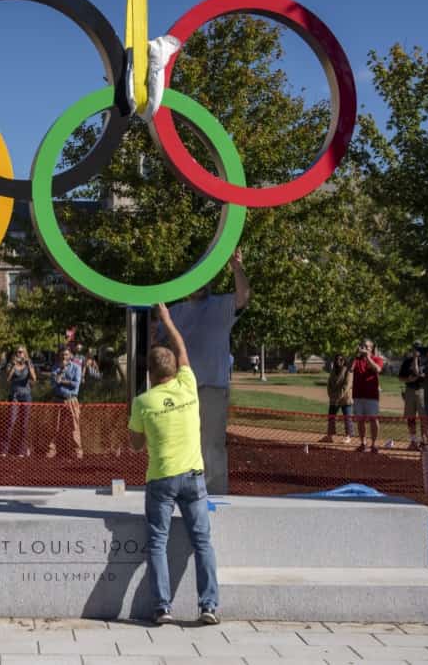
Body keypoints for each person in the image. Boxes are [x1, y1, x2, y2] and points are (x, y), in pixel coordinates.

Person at [129, 303, 220, 627]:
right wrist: (166, 320)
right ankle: (208, 605)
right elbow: (181, 349)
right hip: (194, 478)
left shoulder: (142, 402)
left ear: (151, 375)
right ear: (176, 370)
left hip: (162, 480)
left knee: (157, 542)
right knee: (202, 542)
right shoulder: (188, 385)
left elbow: (136, 444)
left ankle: (162, 608)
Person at [160, 248, 249, 494]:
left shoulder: (221, 305)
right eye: (194, 279)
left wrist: (236, 267)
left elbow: (243, 297)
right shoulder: (175, 312)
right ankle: (184, 492)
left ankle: (215, 494)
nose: (199, 285)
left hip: (211, 388)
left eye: (204, 279)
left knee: (211, 446)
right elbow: (155, 343)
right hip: (180, 392)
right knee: (180, 444)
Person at [47, 347, 83, 459]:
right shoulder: (55, 368)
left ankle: (77, 452)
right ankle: (52, 450)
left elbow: (76, 384)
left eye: (66, 354)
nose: (64, 357)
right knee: (56, 426)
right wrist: (61, 372)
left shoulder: (76, 368)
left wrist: (61, 381)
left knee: (74, 427)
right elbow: (53, 385)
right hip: (58, 400)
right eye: (62, 354)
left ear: (70, 355)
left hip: (72, 400)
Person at [350, 338, 385, 452]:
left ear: (371, 348)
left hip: (371, 395)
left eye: (366, 346)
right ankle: (363, 443)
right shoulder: (357, 360)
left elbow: (377, 369)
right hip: (358, 395)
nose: (364, 348)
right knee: (360, 420)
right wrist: (355, 354)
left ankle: (374, 444)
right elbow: (349, 368)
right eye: (362, 345)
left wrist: (368, 357)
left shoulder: (377, 359)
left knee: (373, 419)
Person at [2, 345, 36, 457]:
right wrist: (14, 366)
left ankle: (22, 450)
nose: (19, 354)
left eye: (21, 352)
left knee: (24, 424)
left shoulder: (28, 363)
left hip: (26, 395)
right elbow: (7, 379)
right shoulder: (11, 363)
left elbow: (34, 379)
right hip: (14, 395)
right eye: (17, 352)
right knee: (11, 422)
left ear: (25, 353)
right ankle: (4, 449)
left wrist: (28, 365)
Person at [399, 343, 426, 450]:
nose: (416, 351)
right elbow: (401, 377)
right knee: (410, 417)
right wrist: (409, 380)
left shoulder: (425, 361)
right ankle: (413, 441)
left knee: (424, 418)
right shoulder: (407, 361)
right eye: (414, 348)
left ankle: (424, 441)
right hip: (410, 390)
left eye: (418, 349)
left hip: (422, 391)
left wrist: (420, 376)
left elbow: (424, 375)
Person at [321, 353, 354, 442]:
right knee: (331, 417)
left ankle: (348, 436)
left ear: (344, 360)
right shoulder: (333, 370)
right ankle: (330, 436)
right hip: (333, 398)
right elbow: (329, 384)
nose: (339, 361)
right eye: (337, 359)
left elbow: (346, 386)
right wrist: (331, 395)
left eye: (341, 359)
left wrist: (338, 397)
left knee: (347, 417)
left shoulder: (348, 370)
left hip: (345, 399)